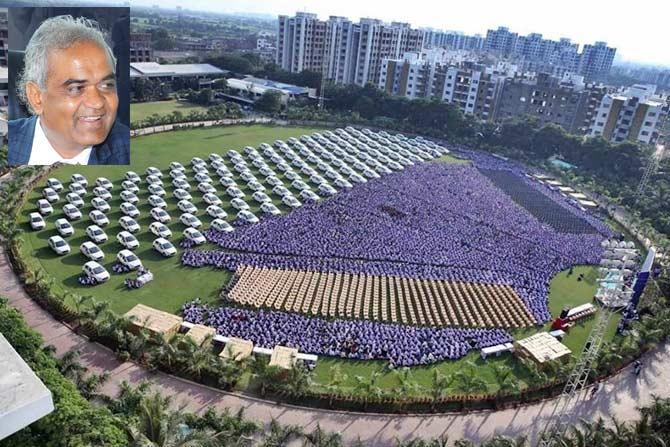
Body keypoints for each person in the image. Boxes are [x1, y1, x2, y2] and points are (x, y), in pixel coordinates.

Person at [8, 15, 129, 166]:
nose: (97, 102)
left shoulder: (127, 147)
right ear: (36, 97)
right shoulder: (8, 142)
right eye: (76, 88)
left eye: (107, 85)